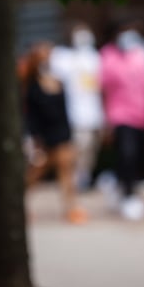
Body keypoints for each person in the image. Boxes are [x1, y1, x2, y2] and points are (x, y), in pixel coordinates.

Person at [24, 42, 87, 224]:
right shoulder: (32, 87)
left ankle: (71, 208)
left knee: (67, 174)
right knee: (34, 175)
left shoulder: (59, 82)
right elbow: (31, 117)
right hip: (43, 139)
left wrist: (69, 136)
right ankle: (20, 205)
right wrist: (34, 140)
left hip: (62, 136)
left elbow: (65, 112)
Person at [100, 19, 144, 221]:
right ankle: (128, 195)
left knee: (139, 157)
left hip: (141, 115)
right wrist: (105, 120)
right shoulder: (108, 56)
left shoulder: (141, 55)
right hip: (119, 115)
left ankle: (119, 184)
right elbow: (103, 89)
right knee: (127, 154)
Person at [50, 22, 104, 191]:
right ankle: (73, 179)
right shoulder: (66, 58)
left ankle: (83, 177)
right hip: (75, 114)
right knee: (78, 147)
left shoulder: (95, 58)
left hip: (94, 114)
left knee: (90, 150)